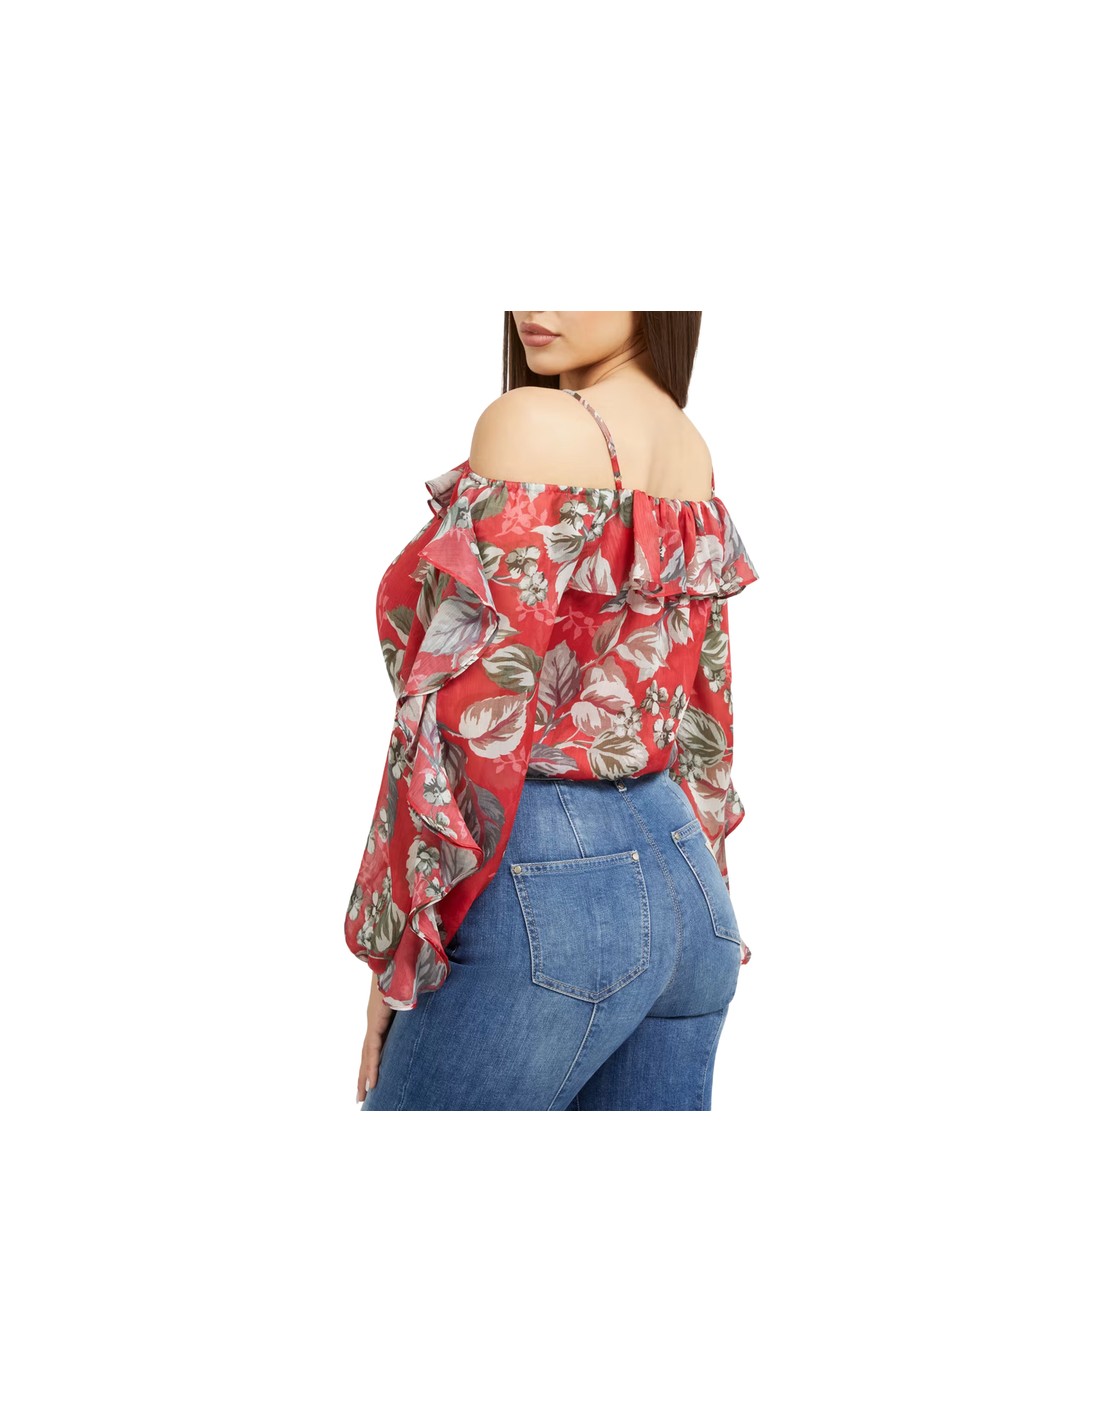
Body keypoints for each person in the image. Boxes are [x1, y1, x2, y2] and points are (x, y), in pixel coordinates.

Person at [345, 311, 759, 1110]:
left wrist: (400, 941)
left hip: (550, 892)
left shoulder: (531, 425)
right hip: (686, 878)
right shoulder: (688, 445)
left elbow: (469, 728)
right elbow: (704, 703)